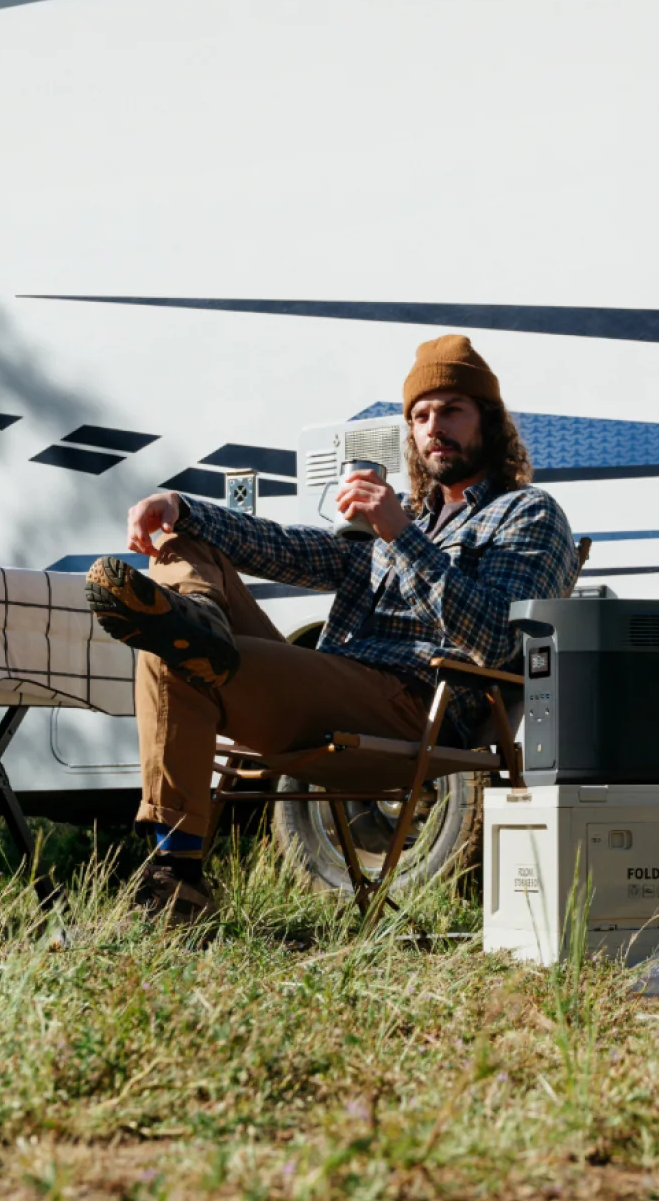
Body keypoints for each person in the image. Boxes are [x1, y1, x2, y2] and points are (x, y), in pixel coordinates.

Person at [84, 333, 579, 919]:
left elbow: (500, 639)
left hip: (413, 706)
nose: (432, 427)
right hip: (336, 685)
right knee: (185, 553)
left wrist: (403, 537)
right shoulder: (403, 519)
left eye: (452, 410)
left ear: (489, 423)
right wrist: (181, 505)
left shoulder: (528, 513)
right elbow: (286, 550)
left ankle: (177, 875)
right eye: (420, 415)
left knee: (173, 647)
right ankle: (201, 623)